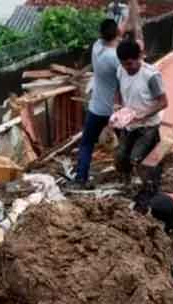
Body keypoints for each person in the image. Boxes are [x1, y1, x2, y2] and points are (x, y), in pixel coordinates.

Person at [114, 39, 168, 211]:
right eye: (123, 64)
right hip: (129, 124)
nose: (127, 68)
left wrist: (143, 115)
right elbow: (118, 90)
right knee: (121, 157)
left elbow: (163, 102)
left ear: (139, 57)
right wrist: (117, 107)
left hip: (148, 126)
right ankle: (128, 185)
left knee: (139, 159)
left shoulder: (151, 76)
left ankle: (151, 192)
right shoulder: (121, 70)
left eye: (129, 64)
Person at [71, 18, 122, 188]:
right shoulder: (116, 58)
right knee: (124, 144)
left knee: (86, 144)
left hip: (96, 108)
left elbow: (113, 38)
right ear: (117, 33)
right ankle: (125, 174)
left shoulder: (96, 47)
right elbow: (123, 83)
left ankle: (81, 178)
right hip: (114, 111)